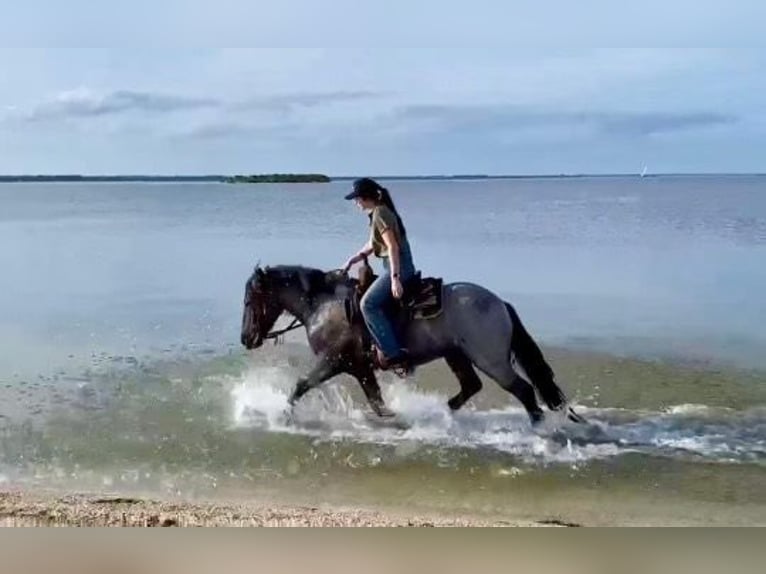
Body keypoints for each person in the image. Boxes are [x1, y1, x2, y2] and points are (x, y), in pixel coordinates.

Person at [342, 177, 416, 370]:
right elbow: (373, 244)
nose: (356, 203)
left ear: (366, 197)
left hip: (398, 267)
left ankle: (394, 354)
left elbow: (392, 247)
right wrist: (353, 259)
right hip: (393, 266)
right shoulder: (379, 212)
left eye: (357, 199)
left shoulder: (380, 213)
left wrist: (395, 279)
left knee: (367, 304)